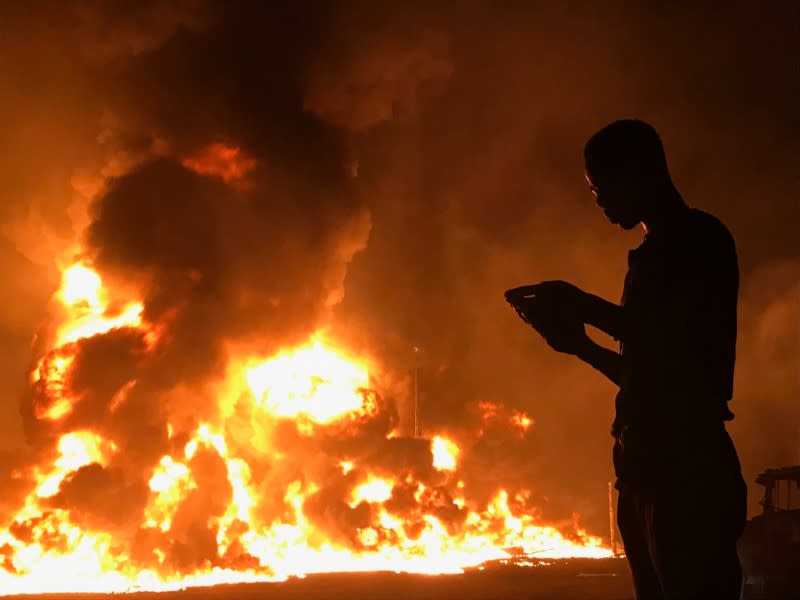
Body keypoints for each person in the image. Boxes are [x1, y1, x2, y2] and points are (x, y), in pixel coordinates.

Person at [505, 119, 747, 600]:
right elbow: (647, 372)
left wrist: (581, 303)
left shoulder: (699, 242)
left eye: (601, 187)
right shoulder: (650, 255)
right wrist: (582, 346)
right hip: (644, 473)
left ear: (641, 172)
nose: (598, 201)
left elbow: (667, 343)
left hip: (687, 471)